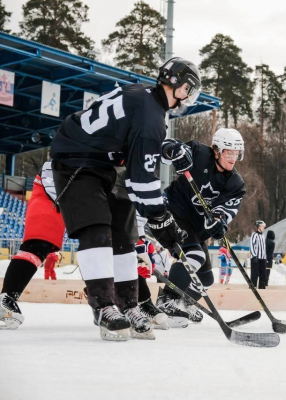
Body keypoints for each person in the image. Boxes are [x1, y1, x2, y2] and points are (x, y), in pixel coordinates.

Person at [48, 57, 197, 341]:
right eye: (188, 90)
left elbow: (127, 137)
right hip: (76, 161)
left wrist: (162, 147)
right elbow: (141, 178)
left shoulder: (142, 96)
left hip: (103, 163)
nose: (188, 97)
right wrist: (160, 217)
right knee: (97, 229)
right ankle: (104, 306)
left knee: (124, 235)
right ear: (180, 87)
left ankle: (130, 305)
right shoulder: (152, 115)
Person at [152, 128, 246, 326]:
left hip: (195, 226)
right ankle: (167, 300)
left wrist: (218, 224)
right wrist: (173, 151)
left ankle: (186, 302)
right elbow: (165, 146)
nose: (232, 158)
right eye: (228, 152)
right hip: (174, 210)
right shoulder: (198, 152)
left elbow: (225, 211)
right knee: (195, 255)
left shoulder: (235, 183)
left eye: (236, 153)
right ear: (216, 150)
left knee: (205, 278)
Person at [1, 162, 66, 330]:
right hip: (52, 196)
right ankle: (7, 298)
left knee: (39, 247)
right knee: (37, 245)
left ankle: (7, 298)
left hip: (58, 197)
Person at [249, 220, 267, 289]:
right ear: (258, 227)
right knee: (255, 273)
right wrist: (254, 256)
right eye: (262, 226)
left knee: (263, 273)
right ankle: (253, 286)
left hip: (263, 257)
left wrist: (265, 256)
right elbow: (252, 245)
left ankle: (262, 286)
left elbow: (264, 246)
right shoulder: (254, 235)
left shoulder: (263, 235)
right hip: (256, 257)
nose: (263, 228)